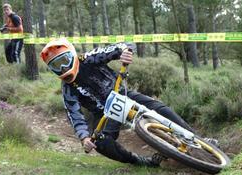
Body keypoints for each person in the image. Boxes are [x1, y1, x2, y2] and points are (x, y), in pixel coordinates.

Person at [40, 39, 217, 167]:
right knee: (100, 144)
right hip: (104, 115)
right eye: (56, 66)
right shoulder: (67, 89)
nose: (63, 68)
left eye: (64, 61)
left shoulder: (88, 58)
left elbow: (119, 46)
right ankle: (140, 161)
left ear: (72, 55)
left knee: (158, 108)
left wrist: (124, 52)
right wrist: (84, 137)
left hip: (121, 94)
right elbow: (75, 116)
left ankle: (200, 140)